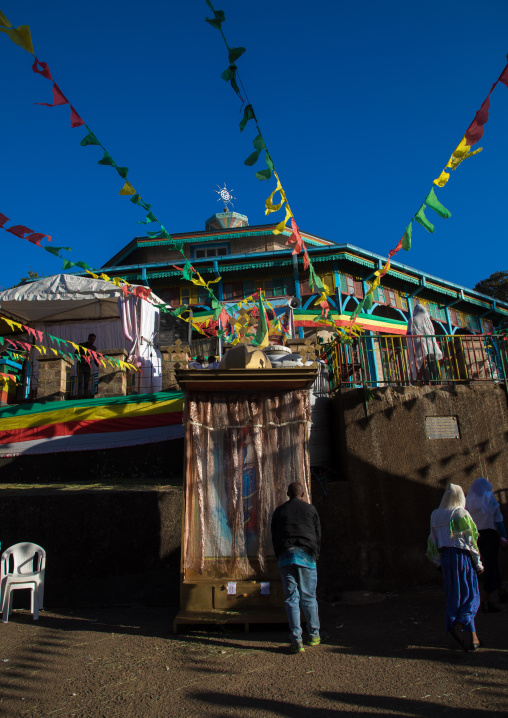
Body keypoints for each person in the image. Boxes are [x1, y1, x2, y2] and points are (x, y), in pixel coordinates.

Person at [427, 483, 483, 651]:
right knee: (471, 596)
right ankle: (459, 624)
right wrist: (478, 563)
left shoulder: (435, 515)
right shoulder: (460, 513)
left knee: (455, 596)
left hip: (446, 558)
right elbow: (471, 542)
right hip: (462, 558)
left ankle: (472, 639)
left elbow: (432, 540)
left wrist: (438, 562)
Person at [271, 481, 321, 654]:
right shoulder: (311, 510)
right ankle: (314, 635)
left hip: (286, 556)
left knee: (292, 598)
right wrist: (315, 555)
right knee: (309, 597)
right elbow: (317, 534)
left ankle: (296, 640)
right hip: (307, 555)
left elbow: (274, 535)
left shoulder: (280, 511)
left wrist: (280, 555)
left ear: (287, 494)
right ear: (303, 494)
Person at [466, 477, 508, 613]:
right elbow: (498, 520)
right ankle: (486, 601)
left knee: (487, 566)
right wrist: (504, 537)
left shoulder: (468, 501)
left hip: (475, 537)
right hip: (490, 536)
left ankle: (501, 593)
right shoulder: (490, 499)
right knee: (491, 566)